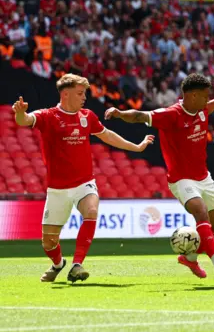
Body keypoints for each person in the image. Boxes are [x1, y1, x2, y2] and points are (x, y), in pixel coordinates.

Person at [12, 74, 154, 283]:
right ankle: (59, 264)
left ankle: (77, 264)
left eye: (85, 93)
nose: (84, 98)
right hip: (58, 188)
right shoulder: (48, 116)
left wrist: (137, 146)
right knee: (49, 243)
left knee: (92, 210)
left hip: (84, 182)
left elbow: (108, 136)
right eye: (80, 93)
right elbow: (25, 120)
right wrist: (20, 114)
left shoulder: (87, 116)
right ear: (65, 94)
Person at [104, 73, 214, 280]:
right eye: (204, 96)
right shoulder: (171, 115)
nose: (206, 100)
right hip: (181, 179)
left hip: (204, 177)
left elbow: (209, 107)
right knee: (200, 211)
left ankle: (190, 258)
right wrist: (120, 113)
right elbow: (140, 116)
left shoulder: (201, 109)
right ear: (192, 96)